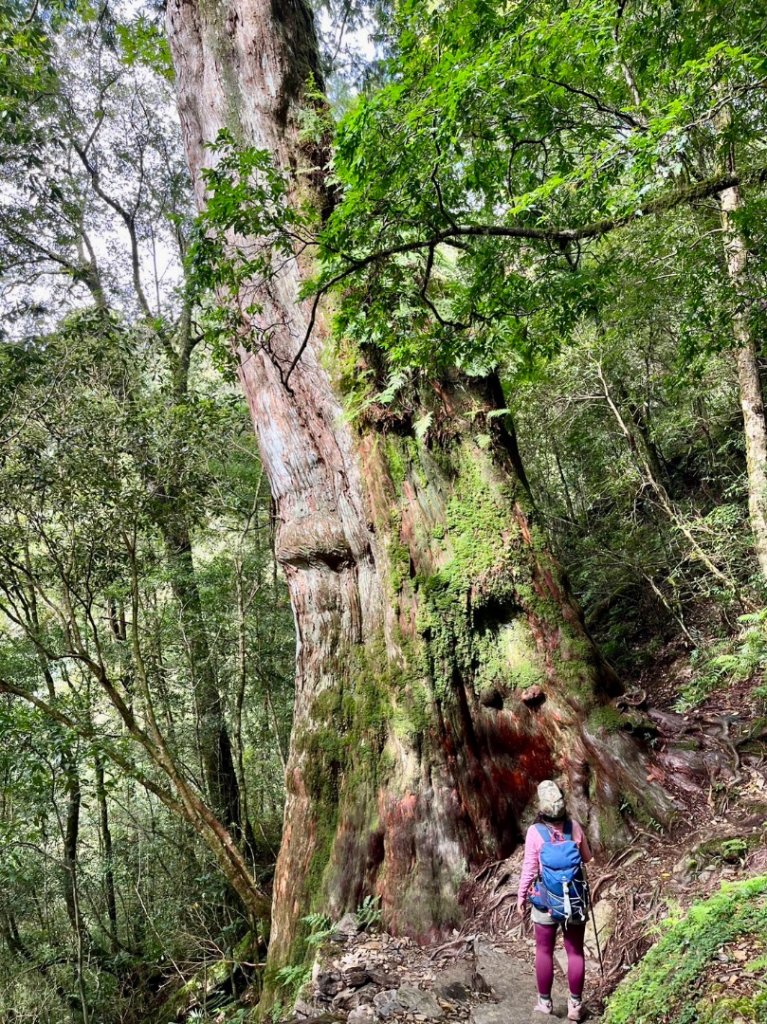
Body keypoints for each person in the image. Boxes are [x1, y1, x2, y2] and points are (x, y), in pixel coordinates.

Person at [516, 780, 592, 1020]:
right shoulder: (575, 828)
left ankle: (545, 1004)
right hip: (575, 900)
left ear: (541, 807)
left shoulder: (534, 833)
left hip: (545, 901)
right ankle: (575, 1006)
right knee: (575, 952)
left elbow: (529, 869)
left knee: (544, 951)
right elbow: (587, 858)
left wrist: (521, 896)